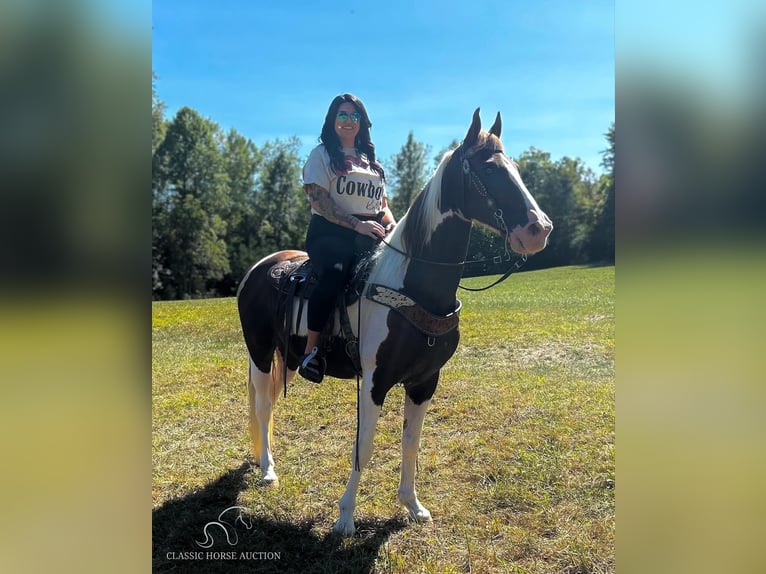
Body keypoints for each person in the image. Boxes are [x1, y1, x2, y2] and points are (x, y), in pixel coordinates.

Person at [299, 93, 396, 383]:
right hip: (330, 233)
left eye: (354, 116)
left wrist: (391, 225)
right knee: (335, 272)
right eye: (342, 115)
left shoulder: (372, 163)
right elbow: (319, 201)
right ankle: (311, 352)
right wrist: (356, 225)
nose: (348, 121)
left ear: (362, 123)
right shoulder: (322, 155)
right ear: (332, 120)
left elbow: (383, 206)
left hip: (370, 232)